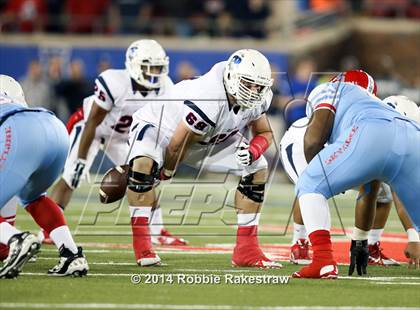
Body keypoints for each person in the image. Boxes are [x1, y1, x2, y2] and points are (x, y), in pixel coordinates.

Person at [125, 49, 282, 268]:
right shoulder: (209, 95)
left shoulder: (259, 97)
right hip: (161, 129)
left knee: (258, 167)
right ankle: (143, 246)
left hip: (208, 138)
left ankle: (246, 250)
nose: (254, 91)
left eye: (259, 86)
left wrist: (253, 151)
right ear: (232, 77)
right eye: (248, 83)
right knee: (143, 166)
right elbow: (177, 144)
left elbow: (265, 133)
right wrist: (166, 172)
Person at [49, 39, 186, 246]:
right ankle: (49, 228)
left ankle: (158, 231)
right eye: (150, 67)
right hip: (91, 130)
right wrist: (80, 159)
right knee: (71, 176)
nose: (155, 72)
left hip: (123, 137)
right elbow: (92, 122)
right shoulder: (115, 82)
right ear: (134, 65)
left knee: (143, 177)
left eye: (159, 67)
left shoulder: (166, 87)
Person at [291, 70, 420, 278]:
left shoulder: (327, 89)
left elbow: (313, 141)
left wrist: (324, 175)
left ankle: (322, 261)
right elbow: (372, 186)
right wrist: (360, 240)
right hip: (412, 135)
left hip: (371, 133)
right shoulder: (377, 104)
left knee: (309, 185)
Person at [0, 75, 88, 278]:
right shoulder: (12, 100)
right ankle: (72, 255)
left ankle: (18, 239)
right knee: (33, 197)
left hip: (18, 131)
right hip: (53, 127)